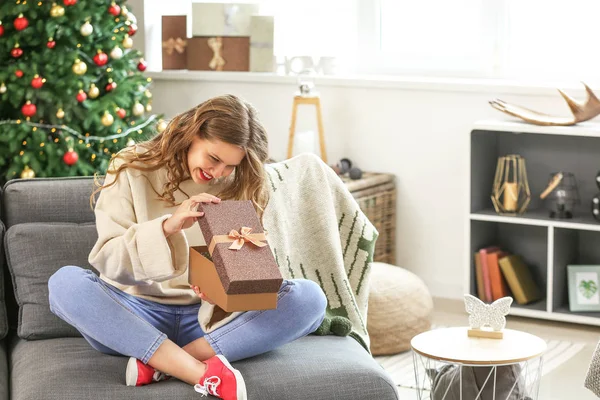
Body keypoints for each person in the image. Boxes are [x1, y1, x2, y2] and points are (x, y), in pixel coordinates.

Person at [47, 95, 328, 400]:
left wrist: (222, 295)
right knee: (65, 284)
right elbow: (109, 261)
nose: (219, 172)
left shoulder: (238, 183)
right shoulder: (132, 166)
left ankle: (162, 363)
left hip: (208, 322)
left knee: (309, 299)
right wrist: (168, 226)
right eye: (213, 158)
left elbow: (245, 280)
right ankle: (199, 372)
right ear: (193, 133)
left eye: (229, 165)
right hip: (137, 315)